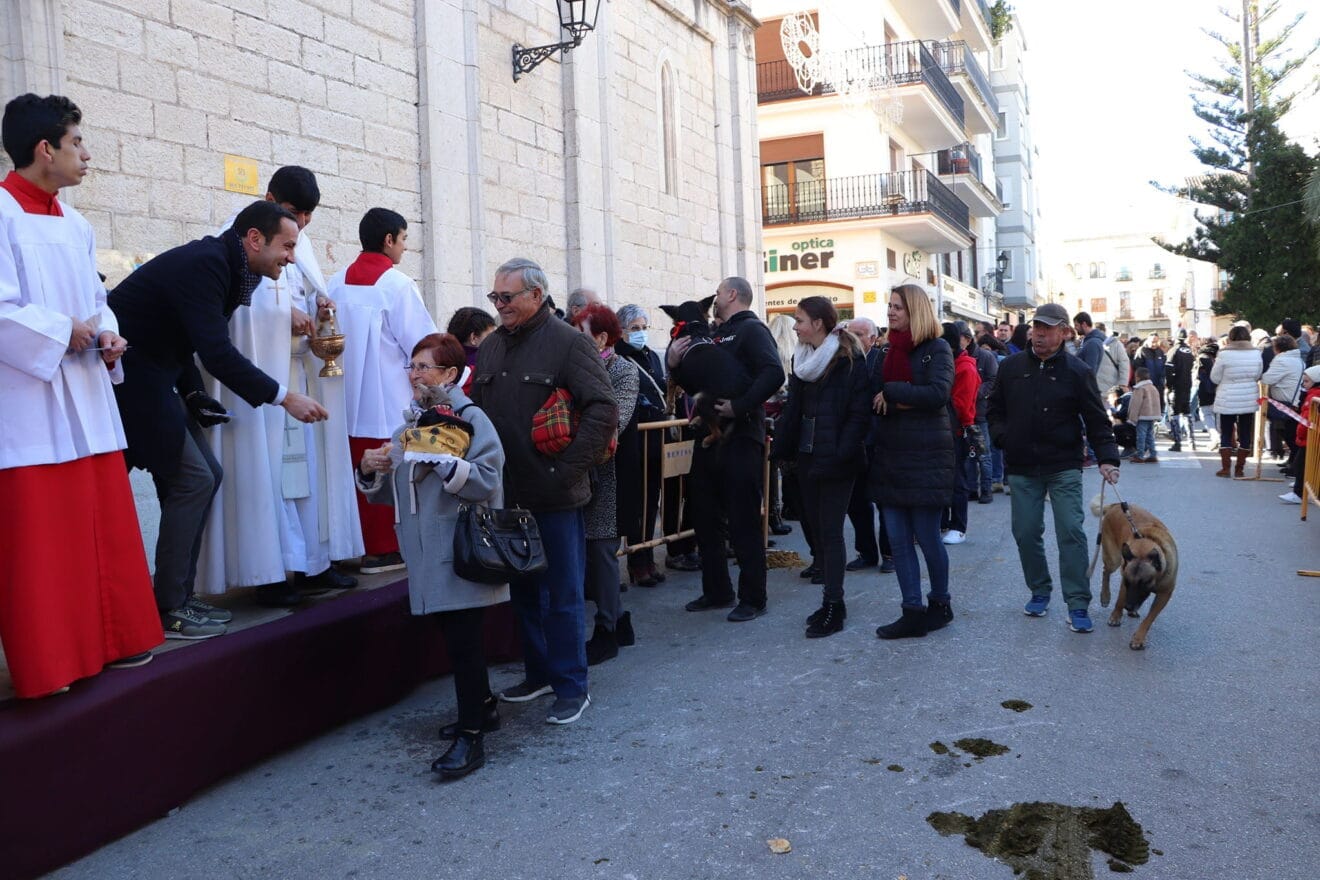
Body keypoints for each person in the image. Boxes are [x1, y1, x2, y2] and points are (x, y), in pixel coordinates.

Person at [0, 92, 162, 696]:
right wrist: (59, 331)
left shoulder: (78, 225)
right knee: (44, 542)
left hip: (86, 394)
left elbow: (97, 301)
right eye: (77, 143)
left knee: (99, 523)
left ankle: (112, 641)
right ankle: (51, 663)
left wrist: (108, 331)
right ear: (45, 149)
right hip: (29, 405)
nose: (87, 156)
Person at [111, 200, 330, 638]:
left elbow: (184, 341)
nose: (291, 257)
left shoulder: (227, 266)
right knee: (194, 479)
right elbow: (215, 351)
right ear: (254, 239)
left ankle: (175, 598)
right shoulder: (208, 264)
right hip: (130, 378)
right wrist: (285, 397)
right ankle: (169, 605)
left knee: (201, 477)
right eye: (286, 246)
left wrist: (193, 393)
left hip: (156, 376)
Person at [197, 167, 362, 607]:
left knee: (304, 476)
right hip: (261, 382)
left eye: (308, 216)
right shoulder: (236, 239)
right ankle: (268, 570)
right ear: (270, 198)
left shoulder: (298, 242)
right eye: (294, 213)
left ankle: (310, 562)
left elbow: (301, 292)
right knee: (267, 475)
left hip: (297, 374)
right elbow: (242, 313)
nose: (302, 225)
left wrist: (317, 305)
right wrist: (283, 312)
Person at [356, 332, 507, 780]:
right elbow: (395, 496)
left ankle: (471, 737)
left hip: (459, 547)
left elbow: (488, 479)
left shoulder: (470, 417)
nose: (415, 375)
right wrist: (369, 470)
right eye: (412, 366)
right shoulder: (410, 425)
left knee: (463, 644)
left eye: (425, 367)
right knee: (456, 637)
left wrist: (446, 464)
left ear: (450, 374)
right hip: (425, 552)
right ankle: (484, 708)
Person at [473, 257, 615, 725]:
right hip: (508, 494)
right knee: (525, 594)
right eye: (495, 297)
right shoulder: (492, 348)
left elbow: (602, 410)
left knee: (564, 593)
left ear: (536, 295)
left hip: (555, 496)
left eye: (506, 297)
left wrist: (565, 470)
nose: (499, 305)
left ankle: (572, 686)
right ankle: (539, 675)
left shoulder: (569, 343)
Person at [986, 302, 1120, 634]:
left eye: (1048, 328)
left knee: (1071, 532)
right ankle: (1040, 590)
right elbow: (994, 409)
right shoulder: (1012, 367)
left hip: (1063, 465)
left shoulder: (1077, 371)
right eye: (1036, 327)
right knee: (1026, 532)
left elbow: (1096, 419)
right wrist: (1003, 437)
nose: (1040, 333)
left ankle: (1077, 603)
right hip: (1022, 466)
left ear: (1064, 332)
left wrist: (1108, 458)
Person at [329, 208, 439, 574]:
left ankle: (349, 546)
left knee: (352, 471)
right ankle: (384, 549)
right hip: (386, 399)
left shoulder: (333, 283)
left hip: (340, 400)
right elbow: (422, 345)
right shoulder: (397, 285)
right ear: (388, 240)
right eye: (404, 239)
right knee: (385, 468)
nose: (405, 248)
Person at [670, 277, 785, 623]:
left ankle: (753, 597)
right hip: (707, 438)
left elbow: (774, 373)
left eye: (718, 293)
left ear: (732, 294)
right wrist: (673, 362)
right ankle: (717, 590)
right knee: (704, 517)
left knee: (744, 520)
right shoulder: (713, 334)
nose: (714, 299)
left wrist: (740, 406)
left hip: (742, 437)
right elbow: (693, 383)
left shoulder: (752, 330)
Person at [771, 297, 870, 638]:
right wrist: (783, 450)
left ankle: (835, 604)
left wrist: (842, 452)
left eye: (799, 320)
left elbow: (859, 414)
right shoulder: (802, 359)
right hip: (806, 456)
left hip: (837, 458)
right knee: (816, 531)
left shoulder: (848, 358)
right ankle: (829, 600)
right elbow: (794, 410)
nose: (795, 326)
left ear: (818, 322)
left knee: (830, 531)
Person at [869, 285, 956, 640]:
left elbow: (938, 395)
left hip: (926, 457)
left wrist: (894, 394)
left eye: (898, 308)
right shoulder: (887, 350)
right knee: (898, 541)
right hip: (891, 455)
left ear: (915, 311)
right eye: (889, 306)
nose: (890, 312)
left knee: (927, 537)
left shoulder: (937, 348)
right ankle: (912, 611)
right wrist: (899, 398)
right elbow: (872, 398)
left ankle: (940, 603)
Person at [570, 303, 639, 665]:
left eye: (579, 332)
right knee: (590, 553)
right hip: (580, 472)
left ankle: (607, 629)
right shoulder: (572, 368)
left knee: (602, 553)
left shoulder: (623, 371)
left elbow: (615, 423)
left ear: (600, 337)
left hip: (609, 475)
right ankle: (620, 620)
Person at [614, 303, 670, 587]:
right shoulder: (618, 357)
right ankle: (636, 561)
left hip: (655, 439)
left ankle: (648, 556)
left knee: (652, 502)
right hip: (634, 441)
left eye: (643, 328)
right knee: (636, 502)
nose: (640, 333)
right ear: (621, 331)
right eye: (634, 329)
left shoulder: (651, 357)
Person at [843, 317, 895, 574]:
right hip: (854, 442)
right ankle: (866, 552)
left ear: (873, 338)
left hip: (880, 442)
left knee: (885, 501)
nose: (853, 338)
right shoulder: (845, 362)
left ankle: (890, 553)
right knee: (856, 501)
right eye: (850, 333)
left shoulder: (882, 360)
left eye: (860, 334)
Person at [940, 323, 981, 544]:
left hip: (956, 430)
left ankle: (958, 526)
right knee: (947, 478)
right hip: (945, 428)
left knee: (957, 479)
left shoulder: (964, 367)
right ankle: (945, 523)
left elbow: (963, 406)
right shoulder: (954, 364)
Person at [1210, 324, 1263, 478]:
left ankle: (1225, 468)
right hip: (1248, 396)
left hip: (1227, 396)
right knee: (1245, 432)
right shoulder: (1256, 353)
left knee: (1226, 432)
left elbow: (1215, 377)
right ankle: (1240, 469)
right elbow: (1257, 374)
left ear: (1230, 338)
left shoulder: (1224, 354)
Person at [963, 321, 997, 504]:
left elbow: (993, 380)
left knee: (984, 454)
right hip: (965, 414)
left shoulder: (986, 357)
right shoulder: (956, 357)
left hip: (981, 413)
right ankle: (971, 489)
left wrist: (974, 393)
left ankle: (986, 489)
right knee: (969, 454)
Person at [1279, 366, 1320, 504]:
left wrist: (1300, 435)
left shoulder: (1313, 397)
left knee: (1300, 464)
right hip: (1312, 436)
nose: (1303, 384)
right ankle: (1304, 485)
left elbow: (1306, 419)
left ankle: (1299, 492)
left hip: (1310, 437)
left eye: (1306, 381)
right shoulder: (1312, 395)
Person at [446, 306, 496, 394]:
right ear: (473, 338)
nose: (495, 340)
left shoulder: (441, 364)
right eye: (490, 335)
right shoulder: (483, 367)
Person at [1165, 330, 1195, 452]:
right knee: (1186, 413)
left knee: (1174, 414)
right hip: (1187, 384)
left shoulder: (1174, 350)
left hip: (1176, 386)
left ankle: (1177, 442)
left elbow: (1168, 368)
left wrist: (1169, 384)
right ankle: (1192, 442)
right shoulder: (1189, 351)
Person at [1128, 367, 1162, 463]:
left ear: (1137, 377)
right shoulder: (1153, 388)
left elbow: (1135, 404)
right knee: (1150, 435)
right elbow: (1157, 402)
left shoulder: (1139, 388)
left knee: (1141, 436)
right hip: (1152, 415)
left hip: (1142, 415)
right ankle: (1153, 454)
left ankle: (1140, 455)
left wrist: (1132, 418)